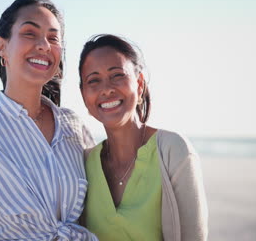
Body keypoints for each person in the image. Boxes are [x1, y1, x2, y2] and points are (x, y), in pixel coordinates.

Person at [0, 0, 97, 241]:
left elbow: (95, 215)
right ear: (2, 46)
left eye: (53, 38)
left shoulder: (74, 127)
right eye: (30, 33)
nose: (44, 45)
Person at [78, 34, 208, 241]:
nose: (106, 89)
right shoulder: (84, 164)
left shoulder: (173, 150)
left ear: (139, 85)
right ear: (84, 95)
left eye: (117, 75)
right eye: (93, 80)